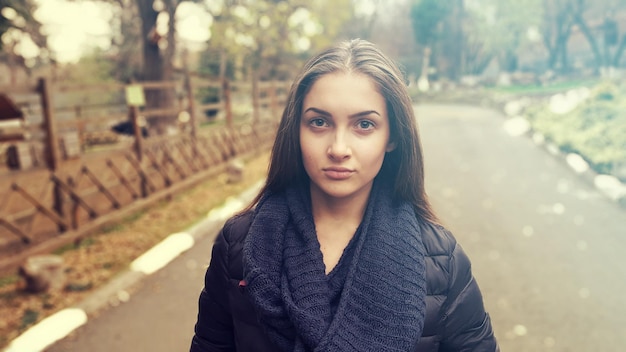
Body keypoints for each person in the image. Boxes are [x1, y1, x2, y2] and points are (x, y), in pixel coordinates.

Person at [190, 39, 499, 352]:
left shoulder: (441, 260)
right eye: (319, 122)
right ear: (296, 130)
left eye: (364, 124)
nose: (338, 148)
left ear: (392, 137)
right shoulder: (239, 244)